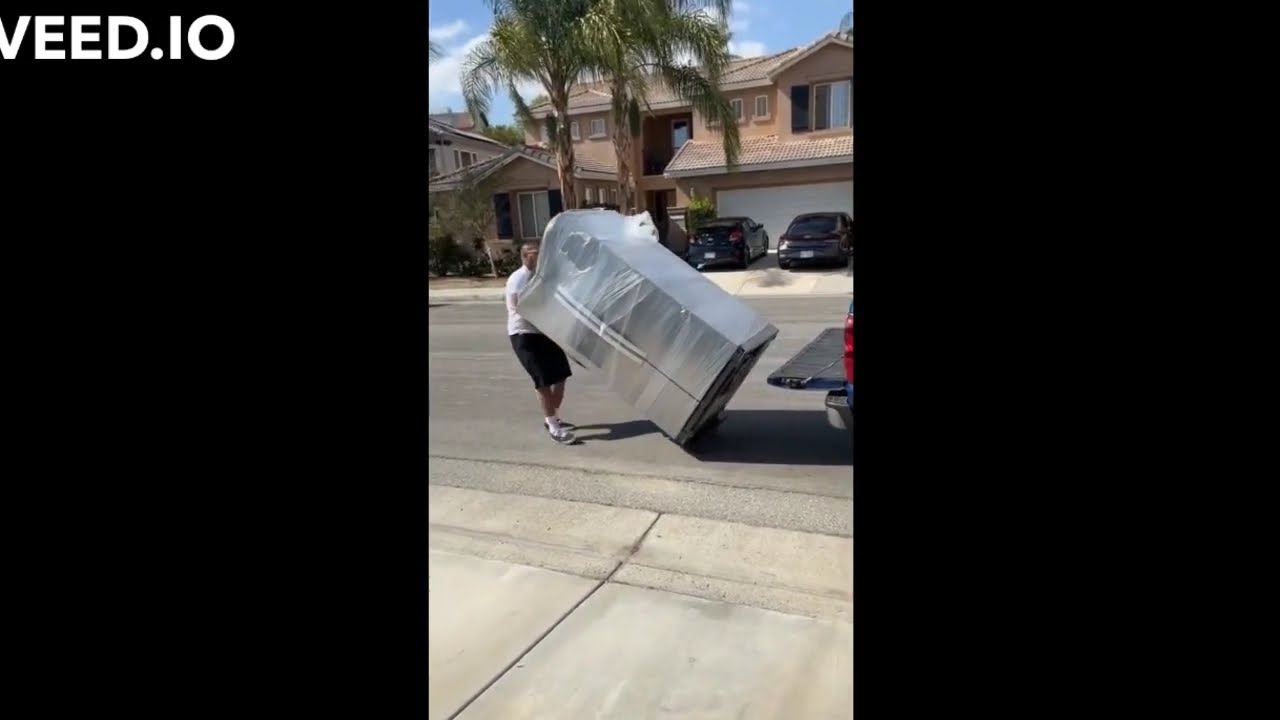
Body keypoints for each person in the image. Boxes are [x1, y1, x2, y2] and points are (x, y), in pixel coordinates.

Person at [506, 240, 576, 444]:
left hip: (545, 333)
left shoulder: (542, 277)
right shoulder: (518, 279)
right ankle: (554, 425)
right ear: (526, 255)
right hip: (523, 334)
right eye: (536, 253)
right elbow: (519, 307)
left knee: (562, 374)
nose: (540, 257)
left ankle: (550, 415)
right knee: (543, 380)